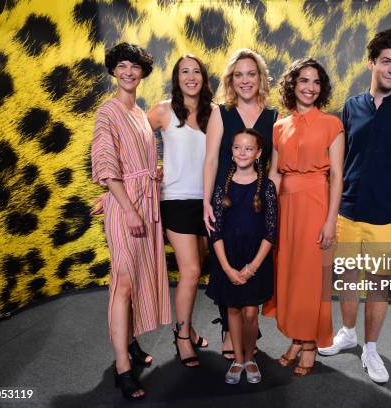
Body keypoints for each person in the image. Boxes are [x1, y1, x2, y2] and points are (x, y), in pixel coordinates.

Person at [317, 29, 391, 384]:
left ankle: (370, 348)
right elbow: (338, 165)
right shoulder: (351, 107)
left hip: (388, 218)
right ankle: (348, 333)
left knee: (378, 286)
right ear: (371, 62)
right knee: (348, 279)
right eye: (386, 61)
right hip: (348, 213)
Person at [91, 42, 171, 401]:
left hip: (144, 202)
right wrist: (124, 206)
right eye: (122, 66)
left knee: (138, 277)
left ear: (142, 72)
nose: (128, 72)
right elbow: (107, 164)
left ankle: (132, 341)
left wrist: (153, 175)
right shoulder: (107, 111)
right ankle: (123, 367)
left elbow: (136, 160)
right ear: (113, 69)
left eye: (134, 67)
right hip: (129, 209)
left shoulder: (140, 112)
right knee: (123, 282)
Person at [263, 58, 345, 376]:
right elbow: (273, 174)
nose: (310, 87)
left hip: (315, 204)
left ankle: (310, 343)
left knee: (311, 277)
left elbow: (337, 175)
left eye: (315, 82)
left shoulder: (331, 124)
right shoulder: (279, 126)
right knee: (289, 275)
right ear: (292, 86)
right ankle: (297, 337)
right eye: (303, 81)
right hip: (285, 208)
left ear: (321, 89)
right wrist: (267, 214)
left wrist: (330, 220)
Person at [203, 49, 278, 359]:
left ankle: (250, 330)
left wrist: (269, 195)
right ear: (230, 80)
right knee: (226, 261)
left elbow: (274, 165)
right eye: (239, 74)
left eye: (251, 74)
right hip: (226, 198)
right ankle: (226, 328)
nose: (245, 80)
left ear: (260, 78)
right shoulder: (220, 112)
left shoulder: (273, 116)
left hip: (257, 199)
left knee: (252, 261)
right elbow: (209, 160)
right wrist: (207, 201)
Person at [147, 55, 213, 367]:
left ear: (203, 77)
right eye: (184, 71)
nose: (190, 77)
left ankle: (189, 326)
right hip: (175, 200)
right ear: (176, 78)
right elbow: (134, 142)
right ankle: (182, 337)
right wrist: (151, 169)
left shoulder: (214, 113)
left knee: (198, 269)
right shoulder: (162, 111)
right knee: (191, 272)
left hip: (208, 203)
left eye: (196, 71)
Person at [206, 128, 276, 384]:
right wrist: (227, 268)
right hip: (228, 260)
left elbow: (270, 232)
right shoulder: (221, 188)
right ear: (232, 152)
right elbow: (215, 232)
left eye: (249, 148)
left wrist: (251, 268)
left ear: (258, 153)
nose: (243, 152)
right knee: (233, 311)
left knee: (250, 312)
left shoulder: (266, 188)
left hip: (254, 261)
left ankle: (250, 357)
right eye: (238, 147)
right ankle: (237, 359)